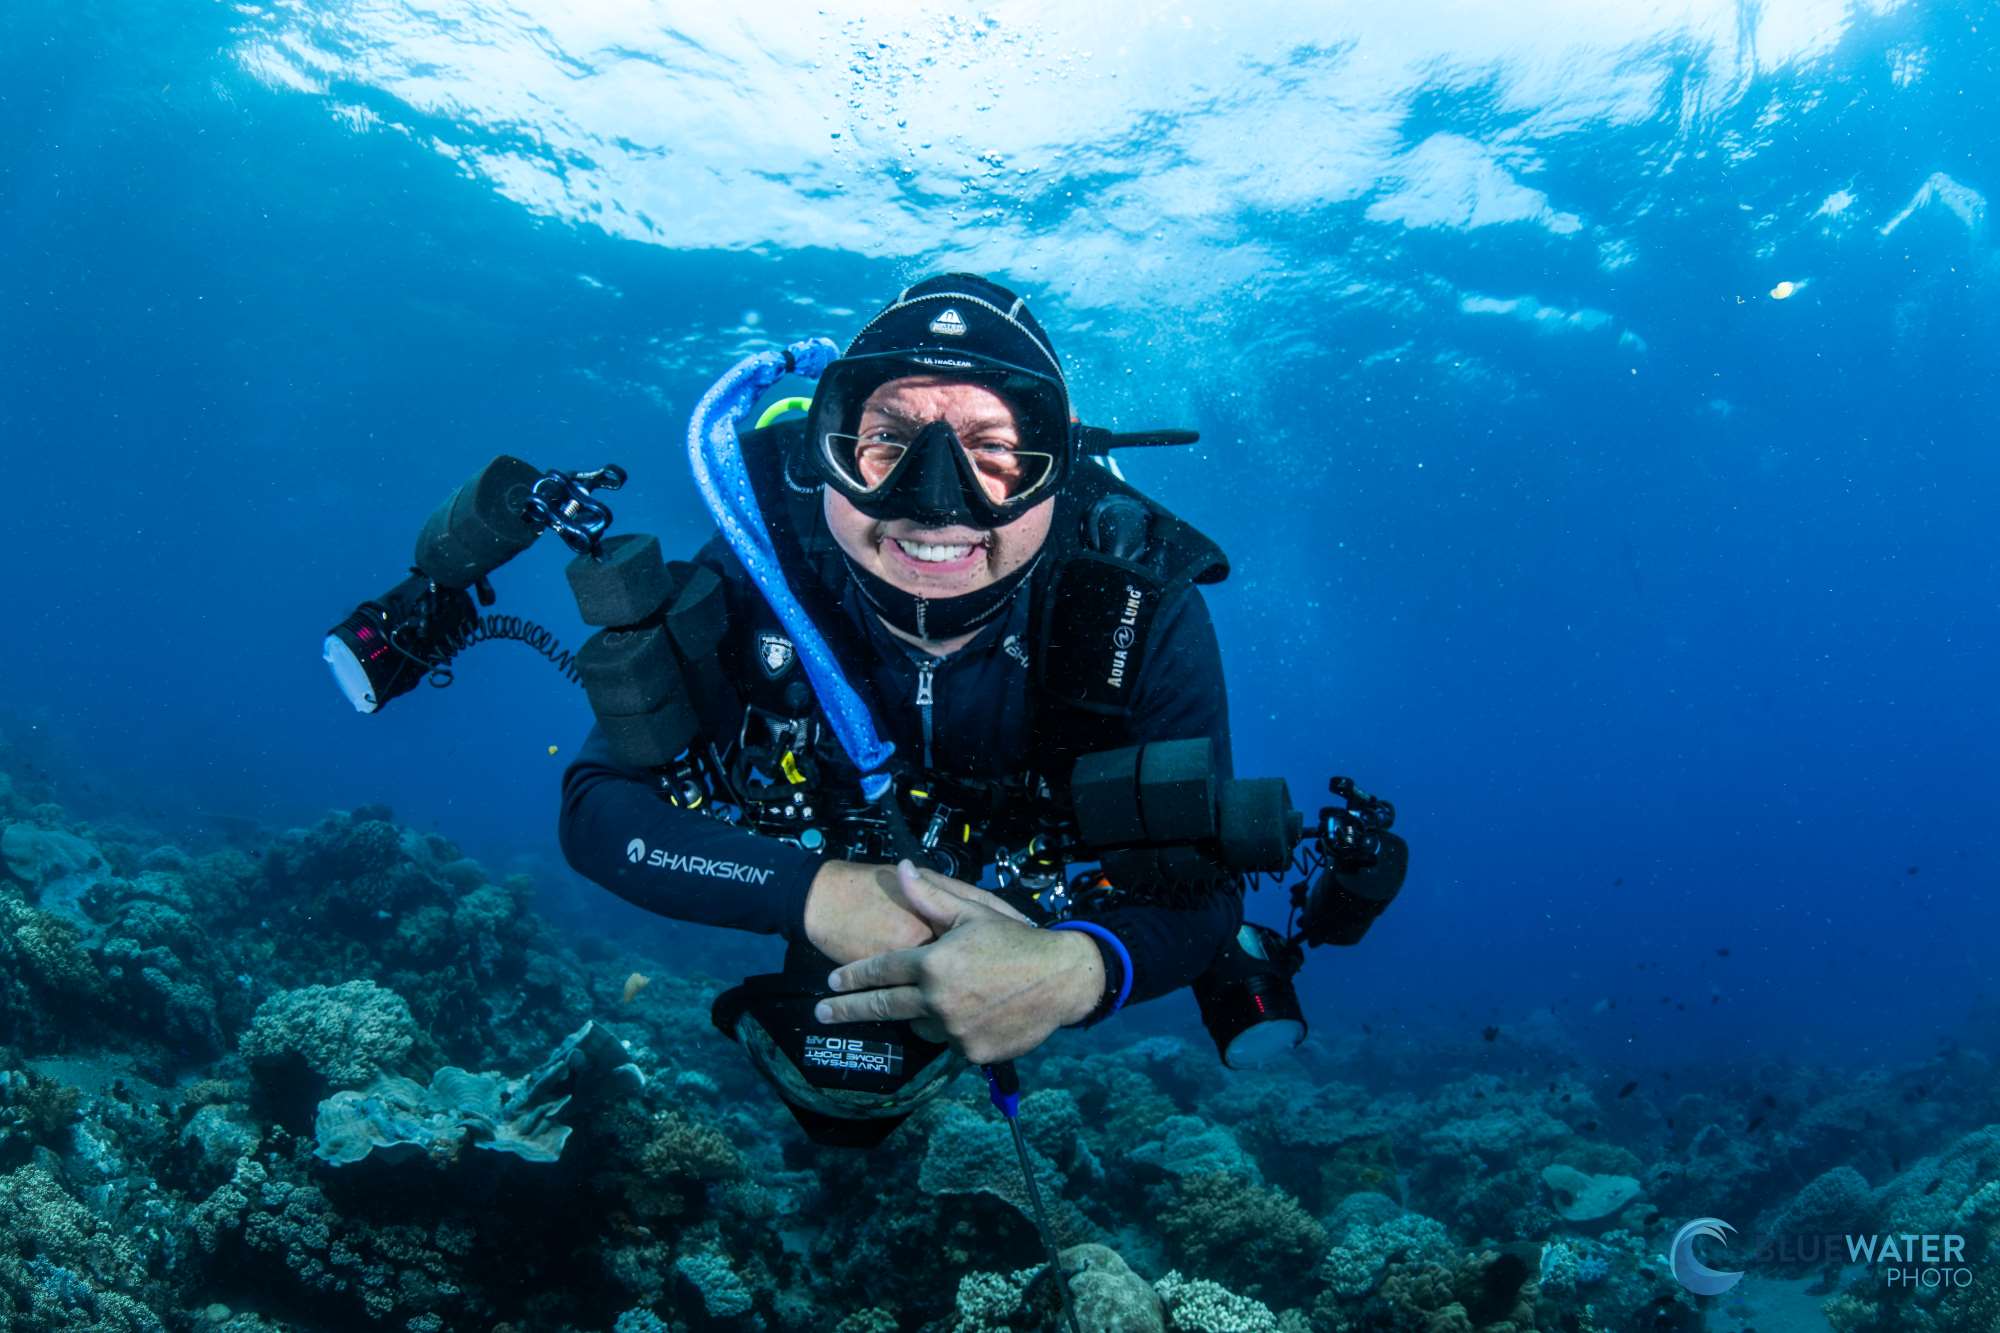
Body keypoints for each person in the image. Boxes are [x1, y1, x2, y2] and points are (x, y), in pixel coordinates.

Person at [557, 273, 1240, 1125]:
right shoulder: (769, 552)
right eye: (887, 443)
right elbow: (597, 809)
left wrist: (1075, 969)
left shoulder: (1137, 601)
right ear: (826, 453)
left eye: (994, 455)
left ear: (1056, 475)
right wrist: (814, 894)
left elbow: (1206, 893)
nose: (935, 500)